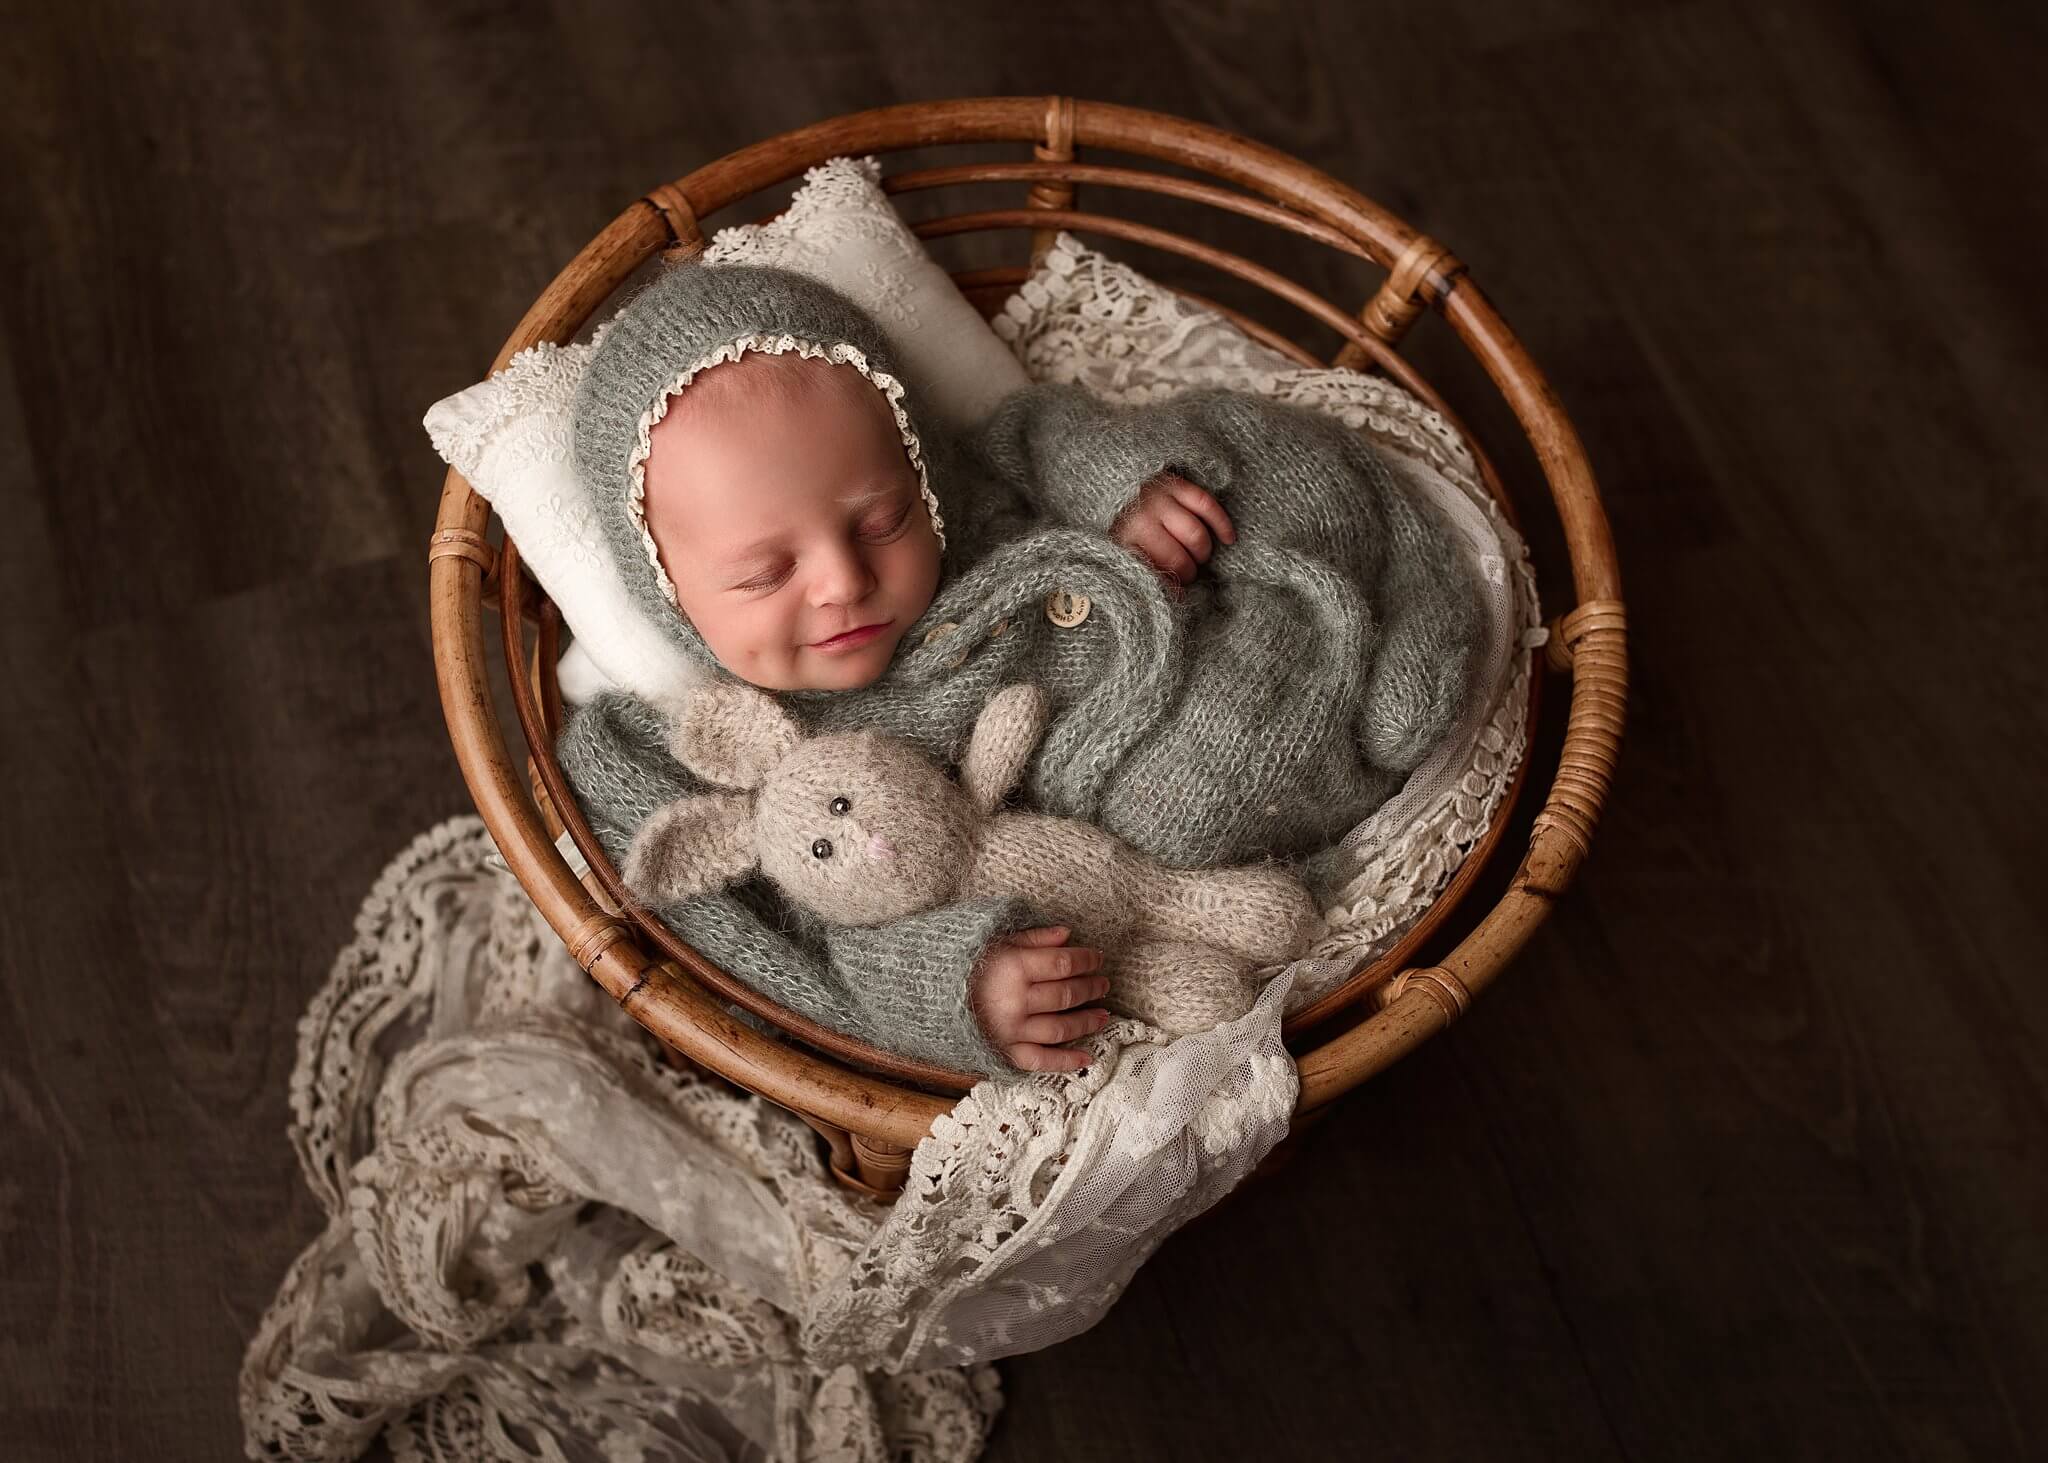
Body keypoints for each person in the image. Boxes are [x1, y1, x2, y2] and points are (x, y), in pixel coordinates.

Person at [557, 261, 1482, 1076]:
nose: (844, 581)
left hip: (1208, 620)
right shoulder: (798, 753)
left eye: (882, 521)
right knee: (1175, 805)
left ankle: (1374, 636)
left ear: (919, 472)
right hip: (1133, 826)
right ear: (669, 592)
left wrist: (1128, 491)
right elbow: (852, 932)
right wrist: (970, 982)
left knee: (1260, 485)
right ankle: (1346, 720)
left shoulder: (976, 502)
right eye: (766, 573)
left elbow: (1034, 432)